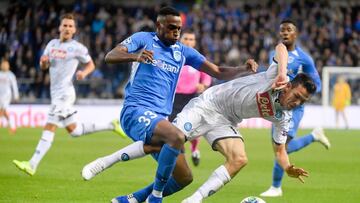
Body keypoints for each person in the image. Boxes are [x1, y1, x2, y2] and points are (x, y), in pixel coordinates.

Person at [84, 6, 257, 203]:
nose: (176, 32)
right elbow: (110, 56)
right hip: (135, 111)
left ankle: (128, 200)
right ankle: (155, 198)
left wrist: (243, 68)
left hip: (160, 118)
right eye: (172, 27)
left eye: (179, 29)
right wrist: (136, 56)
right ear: (159, 25)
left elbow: (217, 71)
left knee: (183, 178)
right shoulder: (144, 39)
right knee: (175, 136)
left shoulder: (183, 52)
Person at [13, 13, 124, 176]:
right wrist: (43, 63)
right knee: (75, 131)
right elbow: (44, 66)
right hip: (55, 93)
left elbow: (91, 64)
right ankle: (111, 125)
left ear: (74, 30)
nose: (67, 28)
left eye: (70, 26)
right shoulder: (51, 44)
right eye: (64, 25)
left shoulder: (78, 48)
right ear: (59, 27)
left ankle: (32, 164)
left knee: (50, 125)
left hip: (65, 93)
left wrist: (83, 73)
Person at [260, 19, 331, 197]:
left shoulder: (304, 58)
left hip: (294, 109)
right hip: (278, 105)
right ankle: (314, 136)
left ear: (295, 34)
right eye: (282, 30)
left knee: (283, 148)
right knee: (279, 148)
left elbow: (317, 83)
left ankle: (276, 187)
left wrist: (301, 95)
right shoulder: (274, 53)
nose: (284, 33)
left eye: (288, 30)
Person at [168, 29, 212, 167]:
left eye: (191, 39)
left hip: (191, 98)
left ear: (194, 42)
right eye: (186, 39)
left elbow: (207, 76)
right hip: (174, 99)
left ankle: (194, 149)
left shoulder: (198, 59)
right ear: (181, 39)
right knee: (175, 129)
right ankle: (181, 157)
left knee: (191, 127)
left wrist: (203, 85)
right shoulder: (172, 56)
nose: (188, 41)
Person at [0, 59, 19, 134]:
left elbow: (14, 86)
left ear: (8, 66)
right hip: (0, 95)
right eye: (3, 64)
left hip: (7, 95)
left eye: (6, 64)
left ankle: (9, 125)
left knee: (3, 109)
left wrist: (16, 95)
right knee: (4, 111)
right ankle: (12, 126)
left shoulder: (10, 75)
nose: (4, 66)